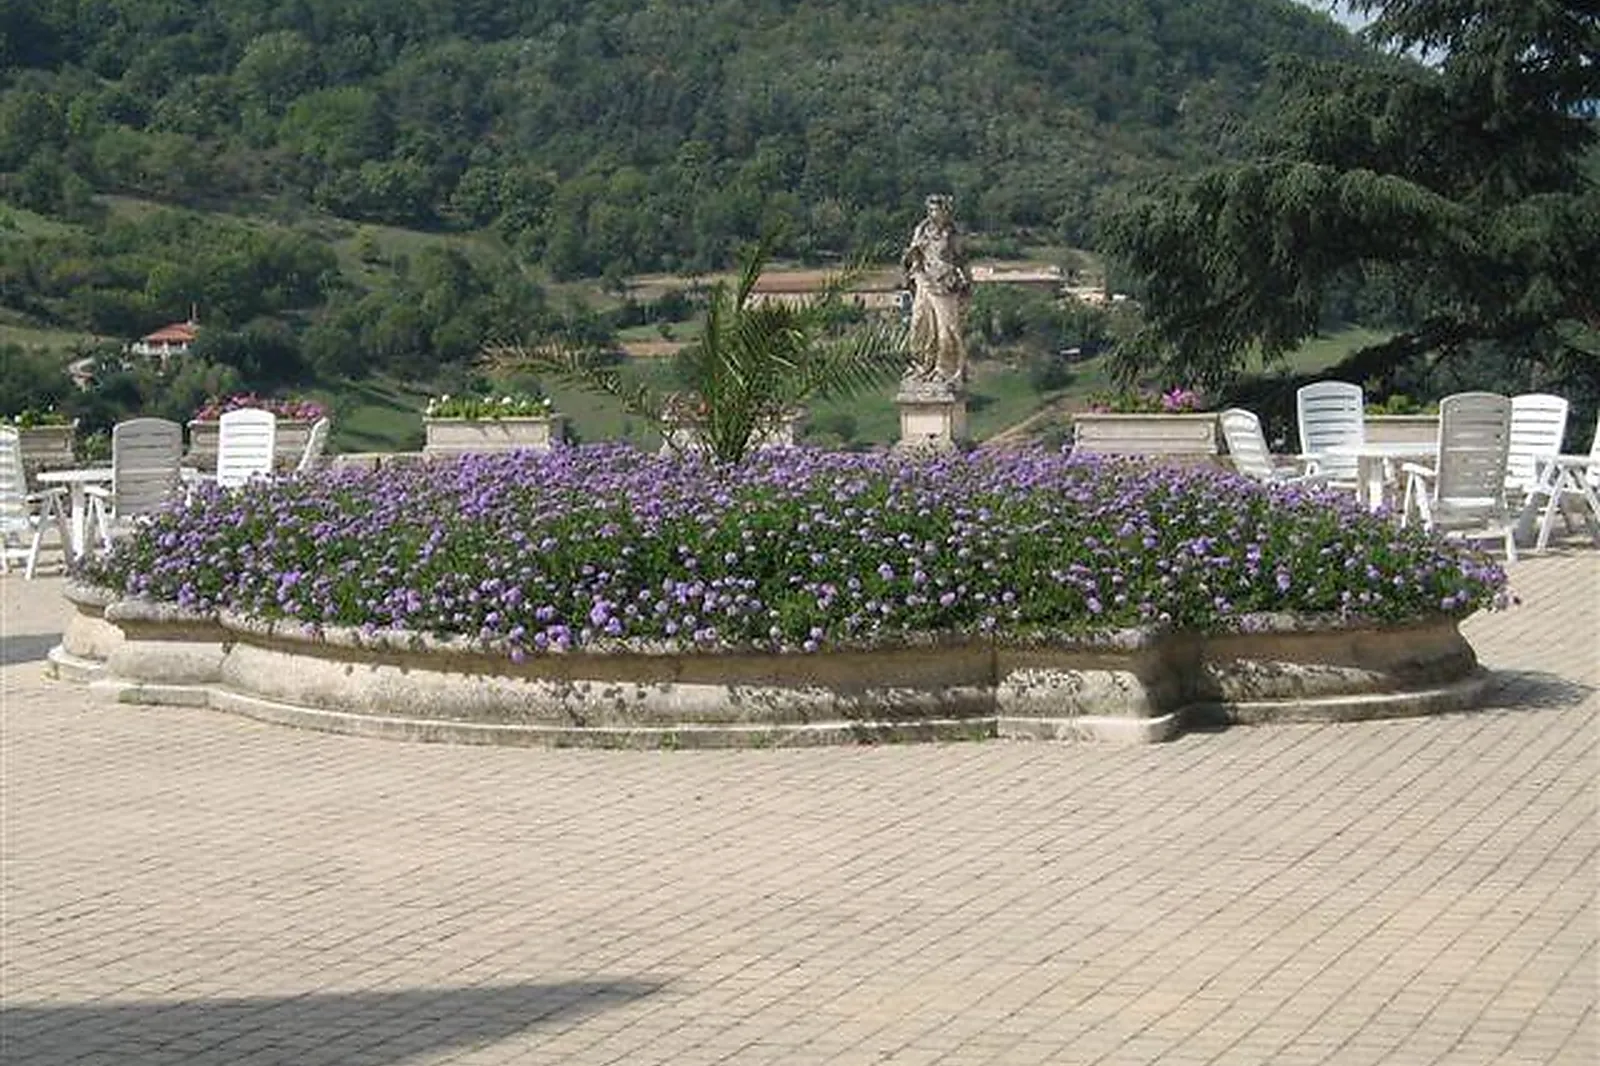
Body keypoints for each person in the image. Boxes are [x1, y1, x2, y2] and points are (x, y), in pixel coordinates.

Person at [901, 194, 972, 383]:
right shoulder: (921, 230)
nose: (934, 213)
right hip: (924, 281)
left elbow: (962, 261)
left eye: (937, 209)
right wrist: (911, 261)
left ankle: (945, 369)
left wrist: (966, 283)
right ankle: (920, 365)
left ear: (946, 211)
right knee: (918, 324)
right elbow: (912, 256)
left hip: (945, 285)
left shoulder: (953, 234)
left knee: (946, 329)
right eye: (931, 209)